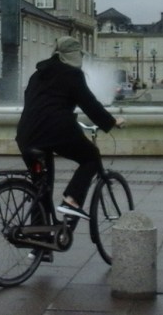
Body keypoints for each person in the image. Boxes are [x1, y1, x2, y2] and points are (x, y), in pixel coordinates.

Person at [15, 36, 124, 221]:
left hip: (27, 134)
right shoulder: (72, 74)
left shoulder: (37, 74)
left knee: (42, 187)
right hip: (56, 130)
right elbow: (90, 104)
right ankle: (71, 201)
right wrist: (112, 122)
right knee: (91, 156)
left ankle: (38, 242)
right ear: (75, 56)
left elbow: (32, 102)